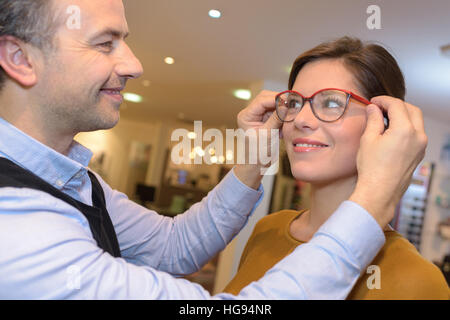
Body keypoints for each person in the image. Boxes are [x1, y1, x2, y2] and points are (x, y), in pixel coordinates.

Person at [0, 0, 428, 299]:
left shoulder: (75, 184)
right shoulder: (14, 223)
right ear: (20, 58)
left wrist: (249, 167)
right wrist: (374, 200)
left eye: (330, 102)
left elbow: (173, 246)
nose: (133, 64)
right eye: (104, 42)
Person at [225, 37, 449, 299]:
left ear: (385, 122)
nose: (301, 120)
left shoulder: (418, 281)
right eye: (295, 103)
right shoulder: (267, 229)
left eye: (331, 103)